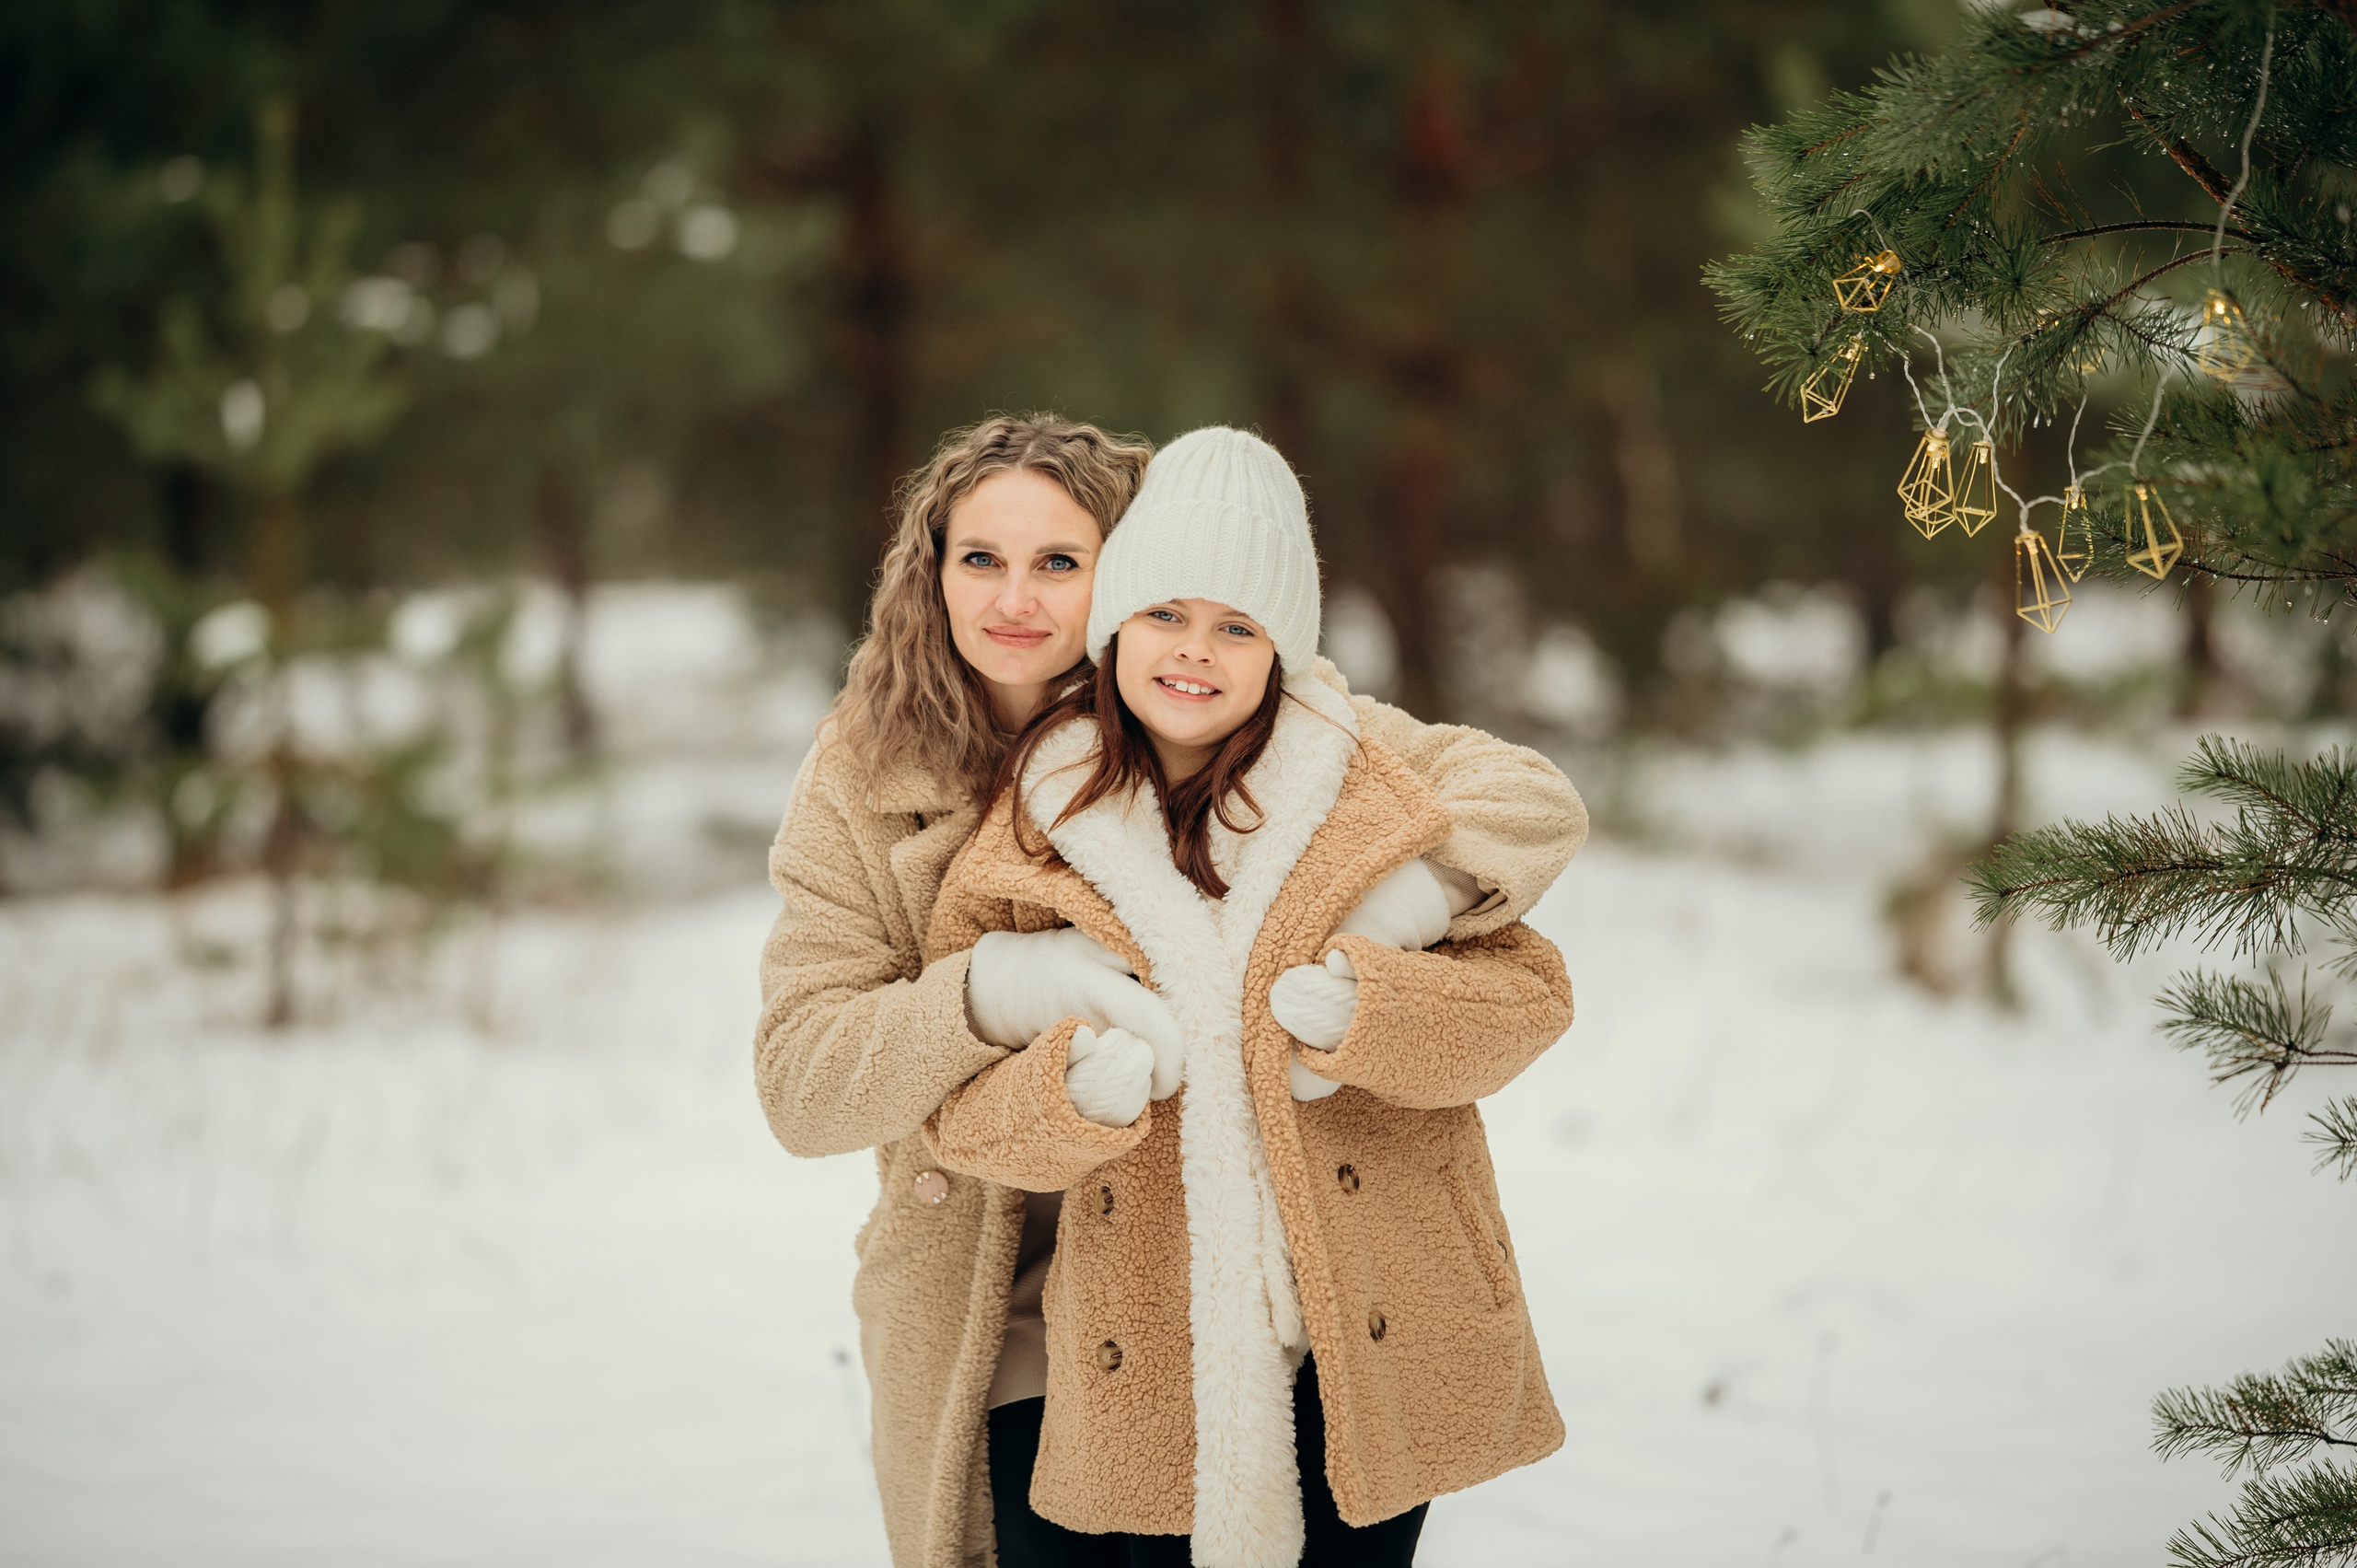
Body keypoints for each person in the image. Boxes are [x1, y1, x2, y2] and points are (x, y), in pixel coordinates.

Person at [755, 415, 1588, 1568]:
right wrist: (993, 990)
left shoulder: (1237, 703)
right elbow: (801, 1081)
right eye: (980, 558)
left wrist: (1385, 905)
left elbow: (1514, 799)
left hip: (1261, 1279)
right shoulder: (865, 773)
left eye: (1061, 561)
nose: (1015, 599)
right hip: (1010, 1304)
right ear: (929, 569)